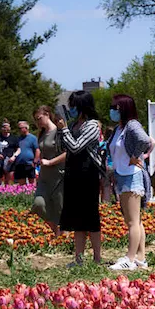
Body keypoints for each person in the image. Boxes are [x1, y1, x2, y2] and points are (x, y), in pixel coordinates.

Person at [57, 89, 104, 266]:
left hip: (87, 174)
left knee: (90, 217)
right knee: (77, 218)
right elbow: (65, 147)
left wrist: (65, 130)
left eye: (74, 105)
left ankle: (97, 258)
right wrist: (62, 131)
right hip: (73, 173)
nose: (71, 109)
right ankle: (79, 258)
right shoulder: (74, 124)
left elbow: (76, 147)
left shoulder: (92, 125)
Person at [106, 94, 153, 270]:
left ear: (123, 108)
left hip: (132, 175)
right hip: (122, 175)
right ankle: (140, 257)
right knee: (135, 220)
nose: (112, 111)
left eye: (114, 108)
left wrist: (135, 156)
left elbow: (145, 140)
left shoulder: (132, 125)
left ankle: (130, 259)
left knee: (133, 221)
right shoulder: (120, 128)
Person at [31, 105, 64, 236]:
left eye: (39, 118)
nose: (38, 122)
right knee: (38, 204)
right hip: (44, 177)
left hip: (59, 176)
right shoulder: (42, 134)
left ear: (47, 114)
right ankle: (56, 231)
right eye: (35, 120)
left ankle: (63, 239)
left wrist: (50, 162)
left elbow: (68, 154)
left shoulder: (59, 132)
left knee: (60, 209)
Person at [11, 121, 39, 185]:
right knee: (21, 184)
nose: (19, 130)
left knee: (32, 183)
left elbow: (37, 150)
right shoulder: (18, 139)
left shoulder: (33, 138)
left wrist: (35, 161)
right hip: (19, 164)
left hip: (30, 163)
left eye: (20, 128)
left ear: (26, 128)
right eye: (18, 128)